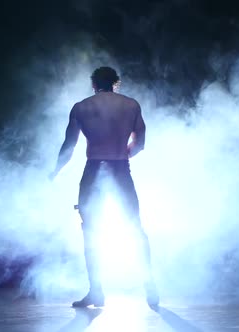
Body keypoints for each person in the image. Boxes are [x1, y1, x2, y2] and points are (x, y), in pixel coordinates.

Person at [49, 66, 159, 308]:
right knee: (135, 228)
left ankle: (96, 291)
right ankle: (150, 287)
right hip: (120, 168)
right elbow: (140, 143)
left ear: (93, 84)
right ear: (115, 83)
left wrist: (55, 171)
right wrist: (123, 155)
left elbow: (69, 146)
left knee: (91, 232)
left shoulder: (81, 107)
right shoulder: (131, 105)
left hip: (94, 170)